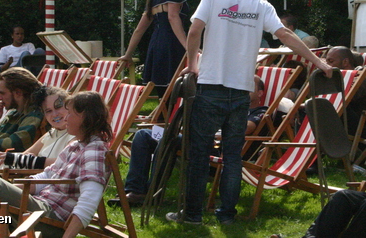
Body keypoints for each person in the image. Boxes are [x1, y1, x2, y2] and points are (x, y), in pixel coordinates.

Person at [167, 0, 333, 225]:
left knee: (199, 153)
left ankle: (192, 215)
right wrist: (319, 62)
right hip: (242, 89)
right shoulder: (262, 5)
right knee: (232, 156)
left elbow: (195, 30)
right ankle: (227, 216)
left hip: (210, 86)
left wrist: (192, 64)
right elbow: (287, 36)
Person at [0, 91, 113, 238]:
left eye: (70, 114)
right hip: (41, 203)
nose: (66, 118)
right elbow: (47, 175)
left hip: (52, 218)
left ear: (85, 117)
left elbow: (89, 202)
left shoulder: (94, 151)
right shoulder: (76, 146)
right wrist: (9, 190)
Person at [109, 75, 268, 206]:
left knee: (167, 139)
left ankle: (150, 193)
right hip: (194, 139)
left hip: (214, 150)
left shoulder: (261, 111)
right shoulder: (228, 106)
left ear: (260, 93)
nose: (242, 87)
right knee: (143, 134)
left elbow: (246, 128)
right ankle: (134, 190)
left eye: (249, 85)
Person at [119, 0, 191, 98]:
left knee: (163, 95)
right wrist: (189, 48)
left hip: (156, 47)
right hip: (172, 46)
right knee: (177, 94)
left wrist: (128, 54)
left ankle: (162, 119)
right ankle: (173, 120)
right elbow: (173, 17)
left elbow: (140, 29)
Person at [0, 87, 75, 169]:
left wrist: (25, 160)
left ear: (70, 107)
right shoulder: (50, 134)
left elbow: (65, 162)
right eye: (48, 111)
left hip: (43, 183)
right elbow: (25, 155)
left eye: (58, 107)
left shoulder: (75, 136)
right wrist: (7, 158)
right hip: (28, 181)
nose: (55, 114)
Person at [324, 46, 366, 141]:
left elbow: (341, 100)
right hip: (358, 129)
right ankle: (311, 148)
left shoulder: (361, 80)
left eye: (330, 62)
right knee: (308, 108)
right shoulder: (344, 80)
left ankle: (328, 146)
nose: (326, 65)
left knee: (333, 108)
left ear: (345, 62)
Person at [0, 67, 44, 151]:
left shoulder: (34, 115)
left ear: (18, 93)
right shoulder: (14, 113)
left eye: (2, 93)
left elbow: (13, 144)